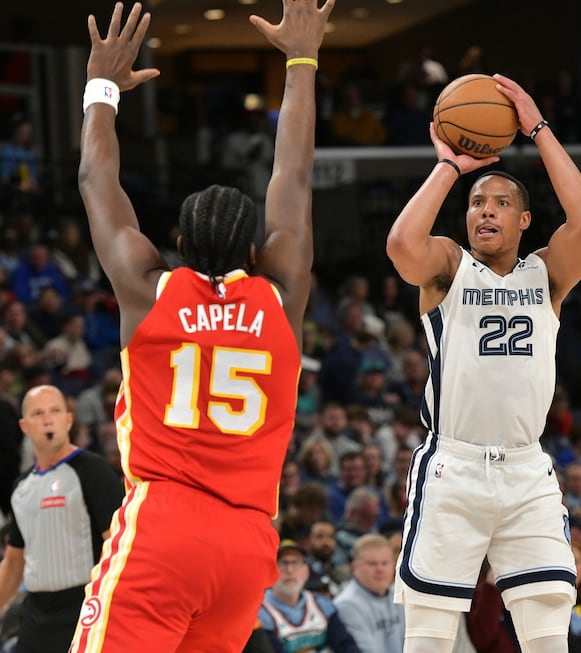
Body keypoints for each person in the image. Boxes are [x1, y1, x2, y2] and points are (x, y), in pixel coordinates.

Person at [68, 1, 333, 651]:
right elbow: (293, 176)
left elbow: (94, 177)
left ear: (180, 240)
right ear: (256, 251)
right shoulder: (281, 293)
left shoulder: (146, 287)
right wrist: (302, 61)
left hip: (166, 524)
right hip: (247, 543)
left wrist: (102, 85)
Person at [385, 73, 581, 653]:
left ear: (524, 221)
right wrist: (450, 168)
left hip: (527, 469)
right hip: (453, 465)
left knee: (548, 637)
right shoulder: (450, 267)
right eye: (478, 203)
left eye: (502, 204)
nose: (486, 211)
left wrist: (537, 127)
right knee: (429, 637)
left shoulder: (546, 276)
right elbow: (403, 245)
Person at [0, 385, 123, 653]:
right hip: (35, 614)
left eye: (55, 411)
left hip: (84, 608)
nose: (47, 419)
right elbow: (13, 563)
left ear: (69, 419)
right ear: (24, 426)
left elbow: (120, 549)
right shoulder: (22, 487)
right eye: (38, 413)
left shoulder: (94, 470)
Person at [257, 540, 361, 653]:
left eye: (295, 563)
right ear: (270, 570)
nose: (289, 570)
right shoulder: (260, 612)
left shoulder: (322, 604)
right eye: (283, 563)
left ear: (306, 571)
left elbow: (345, 645)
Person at [334, 533, 405, 653]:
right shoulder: (347, 605)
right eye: (372, 564)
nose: (380, 569)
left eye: (385, 563)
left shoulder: (399, 595)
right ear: (355, 567)